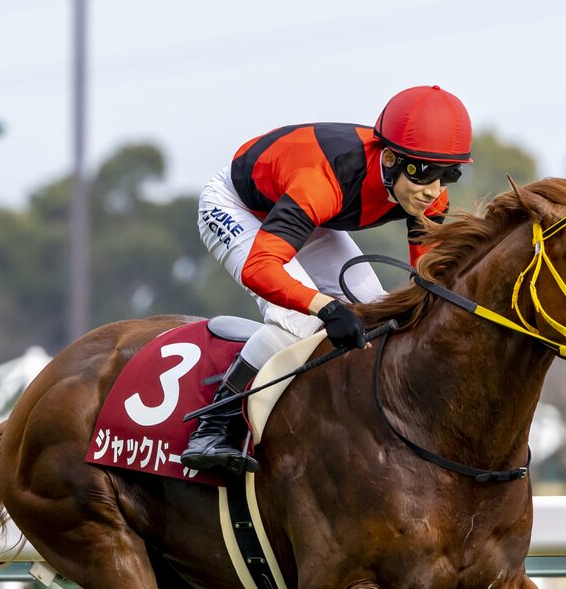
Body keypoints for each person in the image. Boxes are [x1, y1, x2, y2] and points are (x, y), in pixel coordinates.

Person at [181, 85, 473, 475]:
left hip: (308, 217)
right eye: (422, 172)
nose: (433, 190)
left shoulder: (428, 195)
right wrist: (325, 306)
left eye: (448, 174)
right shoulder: (323, 180)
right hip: (239, 205)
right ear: (389, 159)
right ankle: (214, 426)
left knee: (374, 310)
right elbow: (260, 268)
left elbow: (429, 284)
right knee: (299, 324)